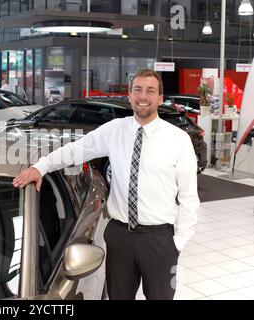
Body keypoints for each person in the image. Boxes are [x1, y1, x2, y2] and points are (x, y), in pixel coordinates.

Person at [13, 69, 200, 300]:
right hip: (120, 236)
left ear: (160, 98)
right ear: (130, 96)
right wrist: (40, 167)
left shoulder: (178, 140)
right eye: (137, 90)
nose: (143, 96)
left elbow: (189, 198)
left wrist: (178, 243)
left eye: (150, 91)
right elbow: (75, 150)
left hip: (159, 240)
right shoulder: (115, 130)